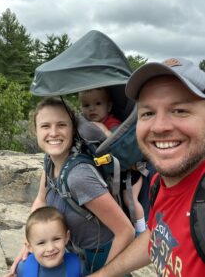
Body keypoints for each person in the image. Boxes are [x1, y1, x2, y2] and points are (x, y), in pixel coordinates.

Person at [88, 57, 205, 276]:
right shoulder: (159, 181)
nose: (159, 127)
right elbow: (157, 234)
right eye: (148, 113)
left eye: (179, 110)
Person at [8, 96, 134, 276]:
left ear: (73, 129)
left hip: (101, 259)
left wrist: (104, 274)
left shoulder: (79, 177)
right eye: (45, 126)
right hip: (71, 253)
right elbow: (40, 200)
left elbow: (125, 231)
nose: (53, 133)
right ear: (35, 130)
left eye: (61, 125)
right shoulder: (50, 161)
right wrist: (27, 246)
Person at [79, 87, 147, 235]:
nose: (92, 109)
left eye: (98, 103)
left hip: (129, 174)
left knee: (130, 201)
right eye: (86, 105)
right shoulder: (85, 126)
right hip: (111, 173)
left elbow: (116, 142)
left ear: (108, 106)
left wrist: (103, 129)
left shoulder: (112, 123)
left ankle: (142, 231)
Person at [13, 206, 82, 277]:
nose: (50, 248)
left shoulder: (78, 266)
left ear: (67, 237)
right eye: (41, 243)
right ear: (29, 247)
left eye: (56, 239)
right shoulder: (23, 268)